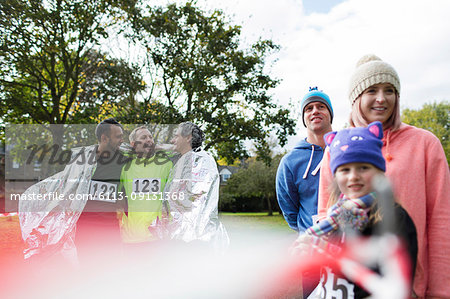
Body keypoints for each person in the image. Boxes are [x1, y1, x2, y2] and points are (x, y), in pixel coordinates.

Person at [317, 54, 450, 298]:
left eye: (389, 90)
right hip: (350, 285)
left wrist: (440, 291)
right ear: (356, 97)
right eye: (372, 90)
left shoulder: (425, 144)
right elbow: (327, 215)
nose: (381, 98)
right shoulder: (335, 147)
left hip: (410, 286)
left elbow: (442, 221)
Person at [297, 121, 417, 298]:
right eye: (345, 170)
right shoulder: (338, 215)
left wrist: (331, 254)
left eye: (363, 167)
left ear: (379, 171)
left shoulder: (393, 218)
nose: (354, 176)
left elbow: (395, 279)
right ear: (336, 176)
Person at [19, 118, 128, 264]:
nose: (122, 140)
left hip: (110, 226)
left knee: (111, 268)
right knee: (87, 270)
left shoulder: (123, 157)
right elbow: (65, 185)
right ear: (104, 138)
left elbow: (148, 149)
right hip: (85, 227)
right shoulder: (82, 160)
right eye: (118, 136)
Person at [163, 122, 229, 251]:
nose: (172, 140)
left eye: (176, 136)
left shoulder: (201, 161)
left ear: (188, 137)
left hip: (195, 240)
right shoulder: (183, 161)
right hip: (182, 237)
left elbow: (195, 200)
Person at [276, 87, 334, 233]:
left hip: (348, 241)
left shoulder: (346, 149)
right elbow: (290, 212)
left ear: (330, 114)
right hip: (311, 245)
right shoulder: (289, 162)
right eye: (309, 108)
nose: (315, 111)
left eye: (321, 106)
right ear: (304, 118)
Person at [119, 126, 173, 245]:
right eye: (143, 137)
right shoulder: (125, 169)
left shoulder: (166, 165)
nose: (149, 140)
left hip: (158, 237)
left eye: (150, 137)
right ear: (133, 144)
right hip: (132, 238)